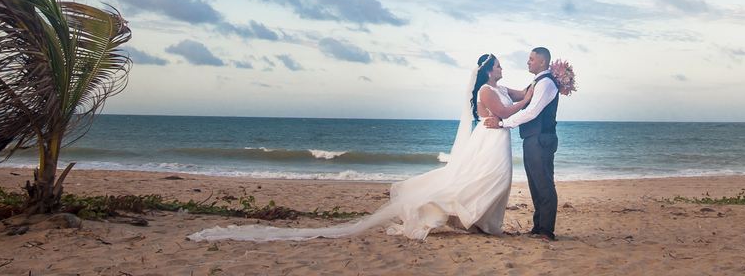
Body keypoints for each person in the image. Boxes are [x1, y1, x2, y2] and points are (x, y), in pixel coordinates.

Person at [188, 53, 531, 243]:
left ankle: (481, 222)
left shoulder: (501, 88)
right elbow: (505, 111)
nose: (502, 68)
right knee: (491, 181)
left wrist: (547, 82)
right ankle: (466, 216)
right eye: (498, 65)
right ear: (487, 70)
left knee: (494, 183)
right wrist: (528, 102)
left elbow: (520, 95)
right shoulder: (487, 92)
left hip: (497, 140)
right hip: (489, 140)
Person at [483, 47, 559, 241]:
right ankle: (538, 227)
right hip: (532, 138)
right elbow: (524, 98)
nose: (528, 62)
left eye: (531, 59)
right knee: (535, 185)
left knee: (544, 184)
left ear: (543, 62)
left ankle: (547, 231)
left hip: (541, 138)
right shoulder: (537, 82)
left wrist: (502, 124)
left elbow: (531, 111)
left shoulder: (546, 83)